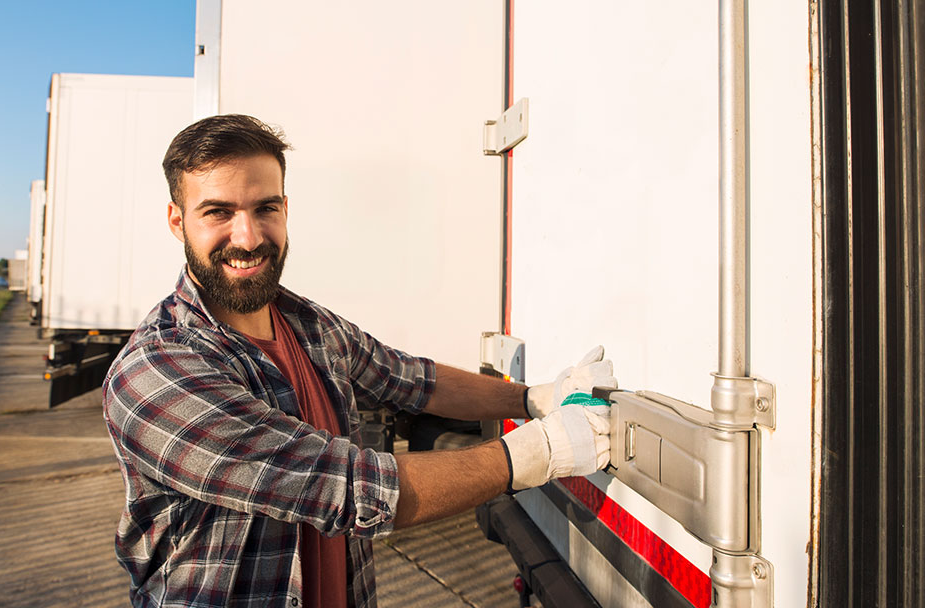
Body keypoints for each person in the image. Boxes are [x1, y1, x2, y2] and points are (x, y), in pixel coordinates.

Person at [102, 114, 617, 608]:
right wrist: (538, 452)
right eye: (218, 212)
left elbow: (413, 381)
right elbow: (347, 488)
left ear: (285, 208)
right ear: (177, 221)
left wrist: (534, 397)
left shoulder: (309, 325)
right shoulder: (155, 372)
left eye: (265, 208)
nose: (249, 236)